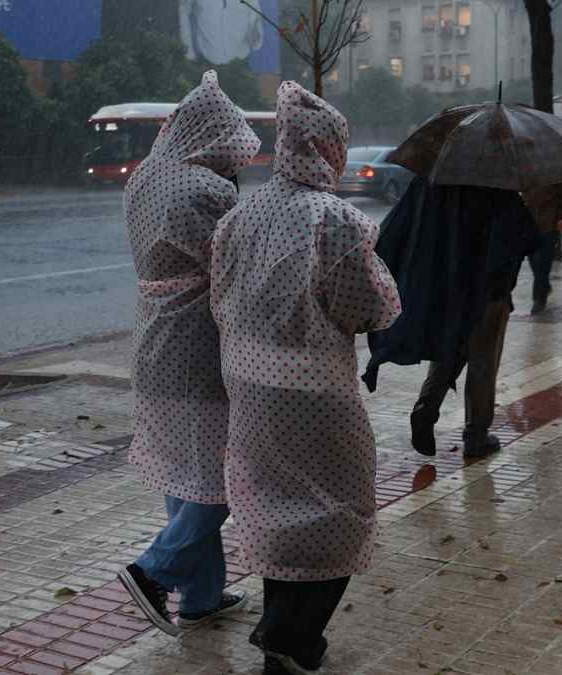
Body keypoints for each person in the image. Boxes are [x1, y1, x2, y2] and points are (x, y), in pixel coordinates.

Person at [210, 81, 400, 674]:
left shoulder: (240, 217)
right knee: (344, 510)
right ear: (326, 149)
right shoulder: (336, 219)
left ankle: (283, 638)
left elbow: (218, 297)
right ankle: (290, 636)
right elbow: (369, 307)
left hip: (247, 389)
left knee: (275, 511)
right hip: (316, 397)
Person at [117, 71, 260, 636]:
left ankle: (200, 598)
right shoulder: (210, 191)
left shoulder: (143, 180)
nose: (235, 163)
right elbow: (234, 272)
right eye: (231, 152)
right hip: (199, 346)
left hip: (152, 338)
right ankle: (153, 570)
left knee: (185, 473)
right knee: (225, 481)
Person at [378, 182, 536, 458]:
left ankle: (425, 410)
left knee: (449, 348)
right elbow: (525, 238)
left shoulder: (439, 185)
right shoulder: (500, 190)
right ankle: (476, 436)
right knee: (482, 362)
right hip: (489, 292)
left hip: (449, 287)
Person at [523, 183, 562, 315]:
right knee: (533, 259)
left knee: (542, 262)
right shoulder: (528, 173)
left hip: (550, 223)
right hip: (530, 223)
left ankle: (539, 299)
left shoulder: (555, 175)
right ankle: (544, 286)